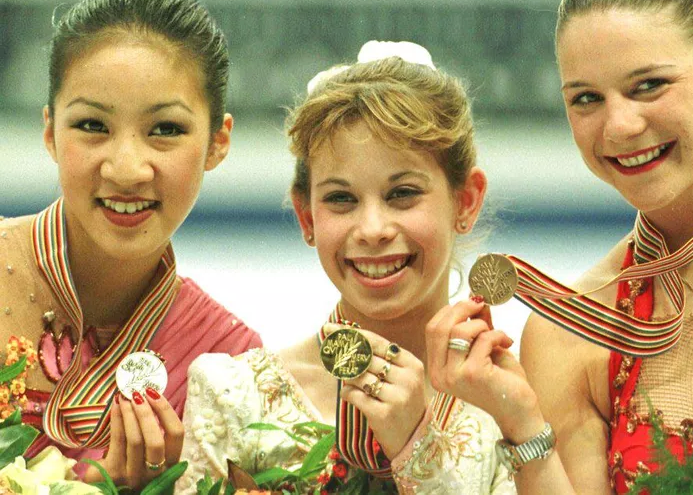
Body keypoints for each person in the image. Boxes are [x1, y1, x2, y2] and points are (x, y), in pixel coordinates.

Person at [426, 0, 693, 494]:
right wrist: (523, 425)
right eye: (586, 99)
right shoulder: (568, 335)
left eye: (649, 85)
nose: (620, 126)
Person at [178, 41, 516, 494]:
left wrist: (417, 449)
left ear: (466, 200)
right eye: (341, 199)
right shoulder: (232, 394)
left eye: (402, 194)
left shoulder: (507, 402)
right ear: (307, 216)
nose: (373, 229)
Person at [0, 0, 261, 487]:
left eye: (165, 129)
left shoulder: (229, 363)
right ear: (50, 130)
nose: (126, 169)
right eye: (93, 126)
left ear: (217, 142)